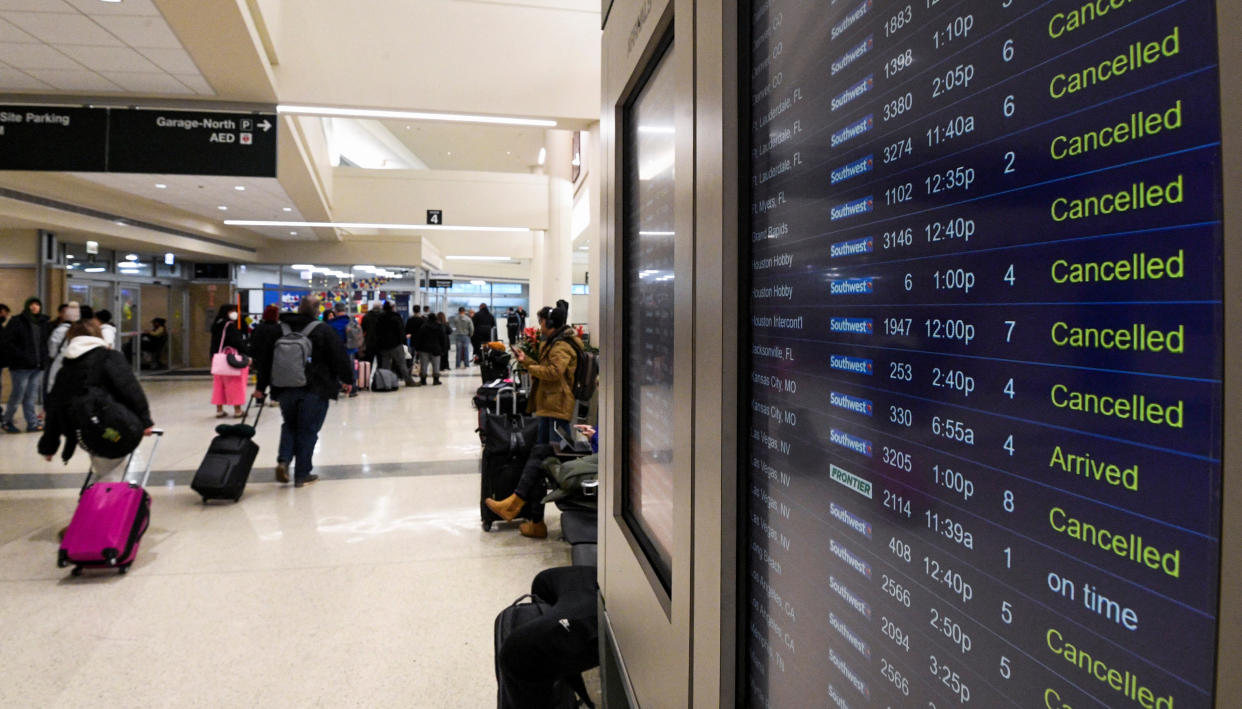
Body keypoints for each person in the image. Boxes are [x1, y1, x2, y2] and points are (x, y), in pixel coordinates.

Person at [251, 296, 353, 488]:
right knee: (308, 429)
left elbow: (266, 362)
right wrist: (348, 380)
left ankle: (284, 460)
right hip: (315, 388)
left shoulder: (280, 329)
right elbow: (339, 356)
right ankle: (302, 474)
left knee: (290, 424)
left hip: (284, 387)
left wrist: (260, 387)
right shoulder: (324, 330)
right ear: (317, 311)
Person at [39, 320, 154, 482]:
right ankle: (106, 503)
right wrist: (145, 420)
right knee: (112, 468)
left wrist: (48, 445)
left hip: (86, 430)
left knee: (103, 464)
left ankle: (99, 499)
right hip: (113, 426)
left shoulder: (67, 368)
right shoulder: (109, 357)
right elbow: (130, 389)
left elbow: (55, 407)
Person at [517, 307, 580, 445]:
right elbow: (546, 368)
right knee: (544, 445)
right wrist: (526, 361)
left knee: (558, 448)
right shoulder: (553, 343)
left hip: (558, 401)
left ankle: (558, 467)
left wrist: (531, 368)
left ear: (550, 323)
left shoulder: (561, 346)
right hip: (550, 400)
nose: (540, 324)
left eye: (541, 321)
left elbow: (554, 372)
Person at [1, 297, 49, 433]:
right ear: (27, 306)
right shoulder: (17, 321)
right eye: (32, 304)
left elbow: (44, 344)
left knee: (31, 396)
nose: (35, 307)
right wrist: (21, 356)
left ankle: (32, 422)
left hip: (37, 366)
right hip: (20, 366)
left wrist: (44, 359)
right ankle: (7, 421)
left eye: (37, 304)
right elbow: (7, 343)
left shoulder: (43, 322)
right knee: (18, 395)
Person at [209, 304, 248, 419]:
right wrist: (246, 352)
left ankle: (219, 410)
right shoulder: (229, 325)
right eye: (234, 311)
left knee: (219, 385)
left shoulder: (216, 324)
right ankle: (237, 410)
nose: (236, 313)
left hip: (217, 359)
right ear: (228, 312)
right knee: (234, 384)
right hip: (230, 358)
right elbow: (237, 342)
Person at [376, 302, 416, 387]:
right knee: (402, 364)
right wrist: (404, 342)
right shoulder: (396, 317)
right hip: (396, 345)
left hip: (383, 346)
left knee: (385, 366)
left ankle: (385, 383)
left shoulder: (380, 317)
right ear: (392, 308)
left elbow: (377, 332)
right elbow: (401, 331)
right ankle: (408, 381)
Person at [325, 303, 359, 398]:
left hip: (337, 351)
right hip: (351, 349)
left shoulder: (332, 323)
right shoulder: (352, 321)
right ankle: (353, 389)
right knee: (351, 369)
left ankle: (338, 388)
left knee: (335, 370)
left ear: (335, 311)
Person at [252, 306, 284, 406]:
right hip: (275, 358)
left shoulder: (259, 327)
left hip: (261, 358)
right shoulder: (279, 328)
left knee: (261, 378)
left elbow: (253, 343)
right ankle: (274, 398)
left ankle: (259, 398)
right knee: (274, 379)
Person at [412, 312, 443, 385]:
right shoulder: (439, 326)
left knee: (424, 365)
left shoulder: (423, 326)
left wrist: (417, 348)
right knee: (436, 365)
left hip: (424, 349)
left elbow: (419, 338)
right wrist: (443, 348)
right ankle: (436, 380)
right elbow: (442, 338)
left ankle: (423, 380)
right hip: (436, 348)